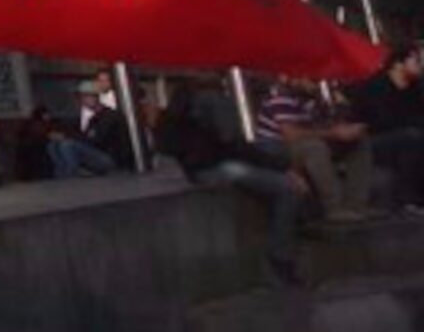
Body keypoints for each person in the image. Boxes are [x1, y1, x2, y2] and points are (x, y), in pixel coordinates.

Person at [156, 79, 307, 285]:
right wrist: (282, 167)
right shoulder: (212, 101)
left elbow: (166, 145)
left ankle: (283, 246)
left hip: (197, 168)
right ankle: (280, 253)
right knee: (286, 188)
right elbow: (233, 143)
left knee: (265, 176)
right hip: (216, 166)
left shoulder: (176, 108)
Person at [257, 78, 375, 222]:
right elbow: (292, 135)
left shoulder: (309, 101)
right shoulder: (280, 99)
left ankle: (357, 205)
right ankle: (334, 207)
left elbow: (321, 126)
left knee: (359, 141)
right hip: (278, 151)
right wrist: (333, 133)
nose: (314, 82)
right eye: (309, 79)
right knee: (314, 147)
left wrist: (343, 125)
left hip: (303, 146)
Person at [346, 43, 424, 209]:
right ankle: (407, 198)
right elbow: (383, 122)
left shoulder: (415, 88)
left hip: (404, 137)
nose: (421, 65)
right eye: (417, 60)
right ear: (398, 63)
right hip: (369, 142)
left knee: (412, 137)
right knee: (410, 138)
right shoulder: (375, 86)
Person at [50, 80, 132, 178]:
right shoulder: (83, 117)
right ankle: (62, 174)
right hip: (93, 153)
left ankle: (71, 175)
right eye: (81, 97)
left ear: (96, 97)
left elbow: (96, 139)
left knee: (67, 145)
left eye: (86, 96)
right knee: (53, 145)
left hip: (109, 157)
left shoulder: (109, 116)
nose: (83, 100)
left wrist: (68, 137)